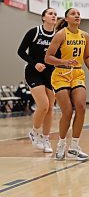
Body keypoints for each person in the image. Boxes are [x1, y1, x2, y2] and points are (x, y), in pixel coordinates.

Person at [45, 8, 89, 161]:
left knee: (81, 107)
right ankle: (61, 144)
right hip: (60, 74)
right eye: (73, 14)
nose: (77, 16)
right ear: (66, 18)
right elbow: (48, 58)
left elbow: (87, 56)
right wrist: (64, 62)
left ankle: (74, 146)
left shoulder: (85, 36)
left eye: (79, 14)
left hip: (77, 73)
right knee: (67, 111)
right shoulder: (60, 35)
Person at [17, 8, 57, 153]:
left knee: (51, 108)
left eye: (55, 14)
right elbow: (21, 51)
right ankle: (34, 132)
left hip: (50, 74)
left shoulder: (57, 36)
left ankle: (46, 139)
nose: (53, 15)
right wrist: (34, 63)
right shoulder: (34, 32)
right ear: (43, 17)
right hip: (33, 72)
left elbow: (57, 55)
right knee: (44, 105)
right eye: (50, 13)